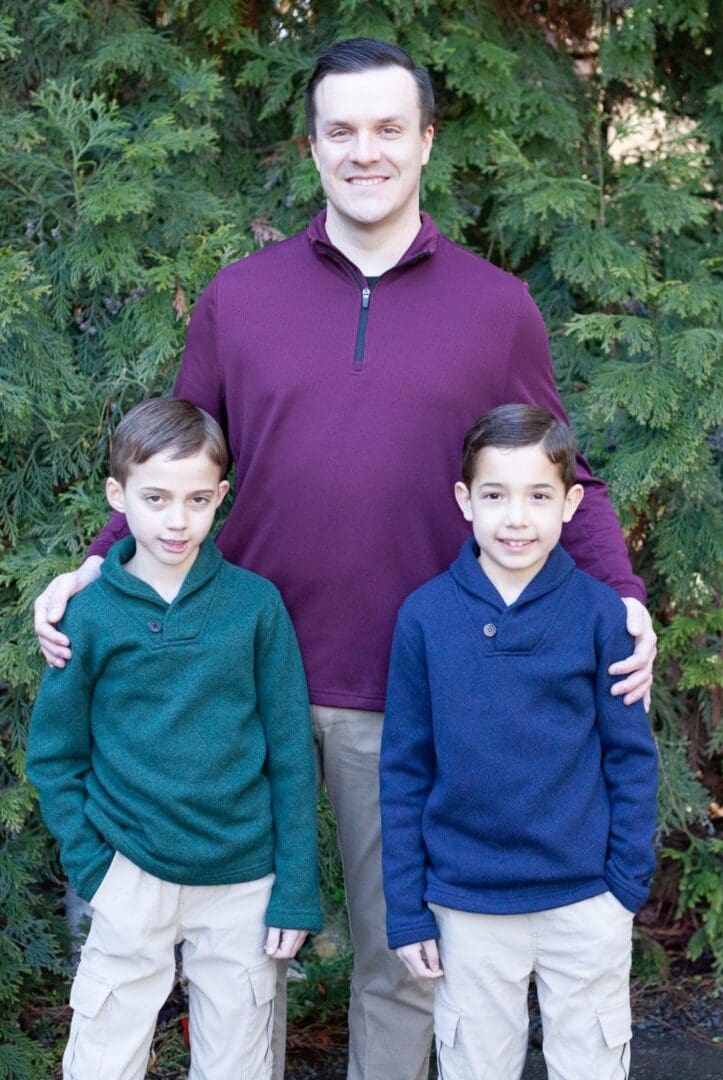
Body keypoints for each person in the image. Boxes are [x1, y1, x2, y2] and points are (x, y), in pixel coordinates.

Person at [32, 38, 657, 1080]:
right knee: (245, 956)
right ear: (312, 145)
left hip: (405, 689)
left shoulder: (494, 304)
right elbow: (178, 458)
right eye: (340, 131)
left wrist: (625, 597)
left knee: (403, 962)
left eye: (385, 129)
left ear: (424, 141)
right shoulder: (241, 296)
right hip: (237, 681)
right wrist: (96, 566)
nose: (363, 152)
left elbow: (562, 469)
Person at [27, 398, 321, 1079]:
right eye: (155, 498)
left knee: (237, 1057)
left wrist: (295, 886)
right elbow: (55, 753)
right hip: (130, 870)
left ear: (221, 496)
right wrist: (93, 866)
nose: (177, 519)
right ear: (118, 495)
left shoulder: (254, 605)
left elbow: (289, 755)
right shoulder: (91, 614)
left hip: (242, 878)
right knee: (104, 1055)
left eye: (196, 499)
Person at [381, 404, 658, 1079]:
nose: (516, 518)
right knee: (476, 1064)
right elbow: (404, 773)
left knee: (590, 1062)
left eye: (538, 496)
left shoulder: (602, 616)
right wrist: (408, 910)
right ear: (464, 501)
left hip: (585, 898)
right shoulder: (425, 617)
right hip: (467, 904)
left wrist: (624, 882)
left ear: (569, 504)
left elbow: (630, 758)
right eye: (495, 495)